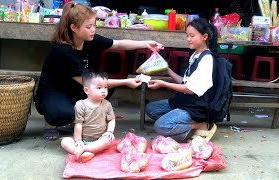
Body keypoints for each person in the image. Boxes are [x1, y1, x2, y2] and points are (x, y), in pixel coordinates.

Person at [34, 2, 163, 140]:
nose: (93, 30)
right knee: (64, 112)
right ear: (74, 28)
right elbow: (85, 81)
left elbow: (118, 44)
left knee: (106, 88)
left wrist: (145, 44)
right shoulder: (63, 50)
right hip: (54, 91)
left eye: (94, 25)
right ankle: (51, 123)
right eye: (89, 26)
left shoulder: (90, 39)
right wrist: (126, 82)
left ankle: (76, 119)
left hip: (76, 89)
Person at [145, 18, 218, 142]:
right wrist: (167, 69)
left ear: (204, 37)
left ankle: (200, 125)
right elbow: (185, 82)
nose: (188, 39)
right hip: (184, 101)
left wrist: (163, 83)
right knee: (151, 109)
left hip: (197, 106)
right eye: (187, 35)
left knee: (160, 126)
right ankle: (178, 123)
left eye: (192, 36)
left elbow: (190, 89)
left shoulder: (207, 59)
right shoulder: (195, 55)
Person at [61, 69, 115, 163]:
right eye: (99, 88)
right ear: (87, 90)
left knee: (109, 140)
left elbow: (111, 119)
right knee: (64, 141)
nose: (104, 91)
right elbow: (78, 124)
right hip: (82, 139)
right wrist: (78, 141)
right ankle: (79, 151)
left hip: (99, 139)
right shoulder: (80, 105)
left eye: (106, 87)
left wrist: (110, 131)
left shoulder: (107, 104)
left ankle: (85, 150)